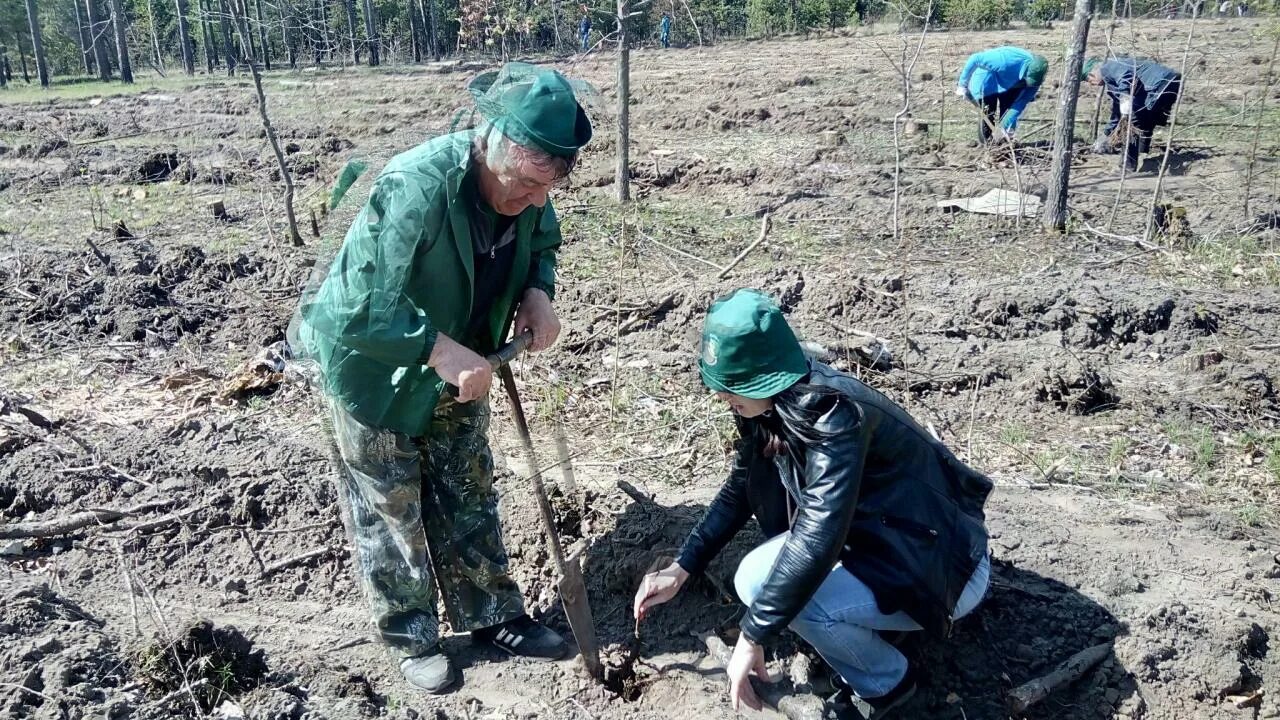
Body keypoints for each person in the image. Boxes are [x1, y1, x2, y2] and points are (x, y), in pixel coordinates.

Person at [292, 62, 592, 694]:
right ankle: (412, 635)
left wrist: (538, 291)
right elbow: (357, 305)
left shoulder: (528, 191)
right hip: (373, 371)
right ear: (493, 146)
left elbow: (541, 241)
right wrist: (436, 349)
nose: (536, 201)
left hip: (466, 362)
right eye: (526, 185)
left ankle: (493, 616)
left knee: (469, 485)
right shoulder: (415, 187)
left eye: (548, 188)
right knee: (390, 508)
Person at [633, 290, 993, 720]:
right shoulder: (769, 409)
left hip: (942, 571)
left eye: (734, 386)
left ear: (765, 375)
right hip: (885, 547)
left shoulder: (832, 415)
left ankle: (891, 688)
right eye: (721, 386)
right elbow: (740, 489)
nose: (724, 397)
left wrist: (752, 635)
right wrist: (681, 568)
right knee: (756, 580)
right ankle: (875, 635)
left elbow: (819, 534)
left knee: (781, 596)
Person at [1082, 56, 1183, 171]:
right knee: (1144, 117)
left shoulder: (1108, 67)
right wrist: (1105, 134)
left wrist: (1125, 97)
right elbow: (1116, 113)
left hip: (1159, 83)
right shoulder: (1112, 81)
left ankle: (1127, 166)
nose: (1092, 84)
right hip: (1172, 81)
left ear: (1092, 74)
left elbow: (1126, 77)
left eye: (1089, 80)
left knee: (1131, 123)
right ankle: (1143, 152)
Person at [955, 46, 1048, 145]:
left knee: (1007, 112)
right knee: (988, 114)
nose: (1030, 85)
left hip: (1013, 84)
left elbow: (1019, 105)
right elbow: (975, 58)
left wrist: (1007, 126)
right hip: (988, 81)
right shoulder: (1005, 61)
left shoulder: (1035, 80)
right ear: (1026, 70)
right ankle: (986, 145)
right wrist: (962, 84)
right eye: (1029, 81)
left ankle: (1004, 141)